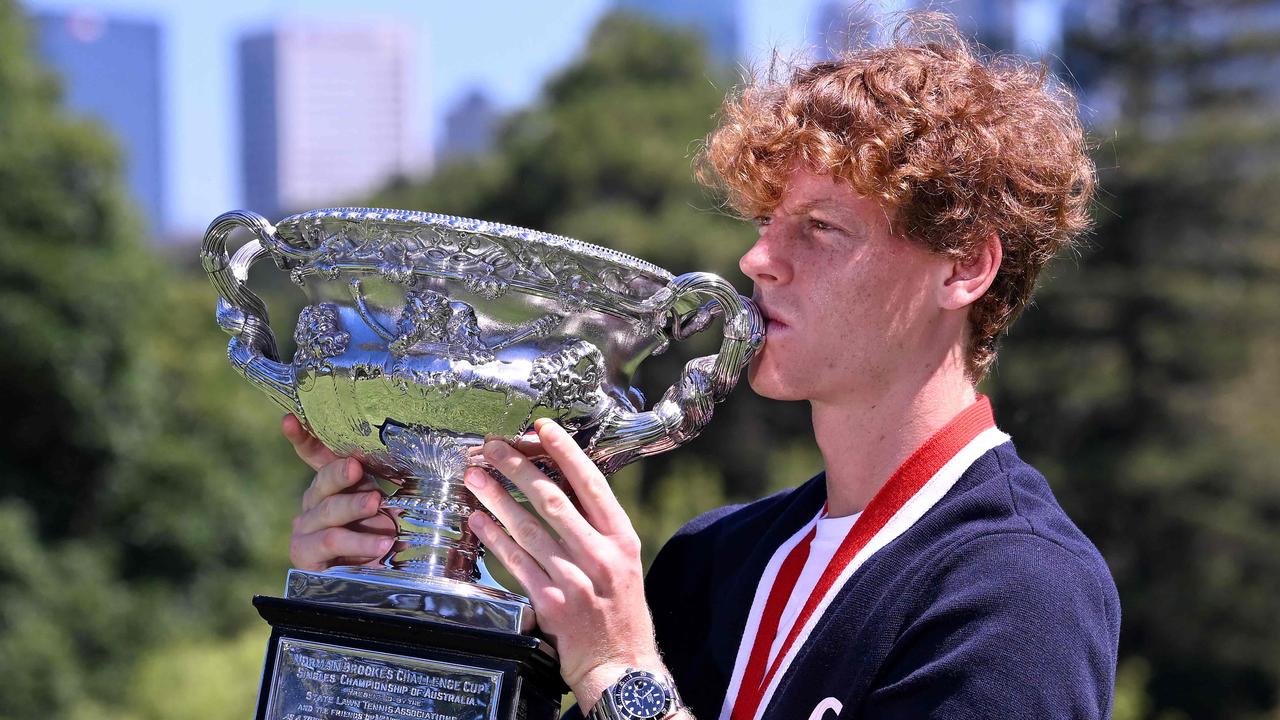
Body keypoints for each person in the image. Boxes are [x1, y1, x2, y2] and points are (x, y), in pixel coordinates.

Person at [284, 12, 1120, 720]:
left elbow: (627, 683)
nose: (758, 260)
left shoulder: (1021, 593)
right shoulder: (712, 559)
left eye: (822, 228)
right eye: (766, 221)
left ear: (964, 266)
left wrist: (624, 678)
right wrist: (393, 625)